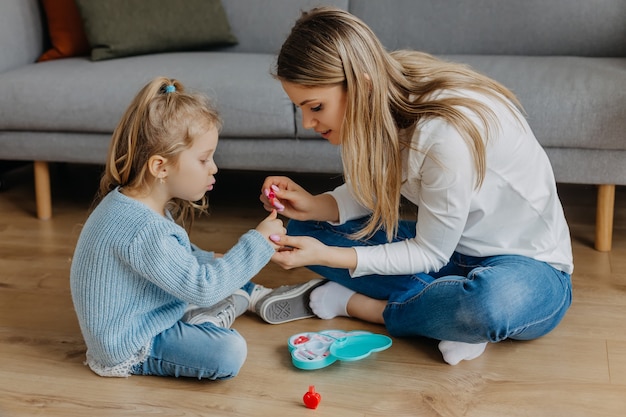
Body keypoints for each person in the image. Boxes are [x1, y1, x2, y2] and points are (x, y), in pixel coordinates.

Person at [260, 7, 574, 365]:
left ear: (361, 85)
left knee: (488, 306)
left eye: (315, 106)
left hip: (530, 268)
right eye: (300, 108)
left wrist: (328, 257)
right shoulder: (385, 95)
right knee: (303, 230)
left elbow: (428, 253)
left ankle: (368, 307)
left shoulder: (442, 137)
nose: (308, 122)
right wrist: (315, 205)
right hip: (450, 250)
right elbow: (379, 189)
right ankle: (443, 315)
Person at [70, 76, 322, 379]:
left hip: (144, 312)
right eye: (204, 159)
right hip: (132, 342)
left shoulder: (133, 204)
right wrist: (256, 242)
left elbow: (181, 256)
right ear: (160, 167)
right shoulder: (143, 230)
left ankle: (247, 293)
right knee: (228, 352)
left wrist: (229, 257)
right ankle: (216, 313)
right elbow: (202, 287)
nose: (214, 167)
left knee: (222, 270)